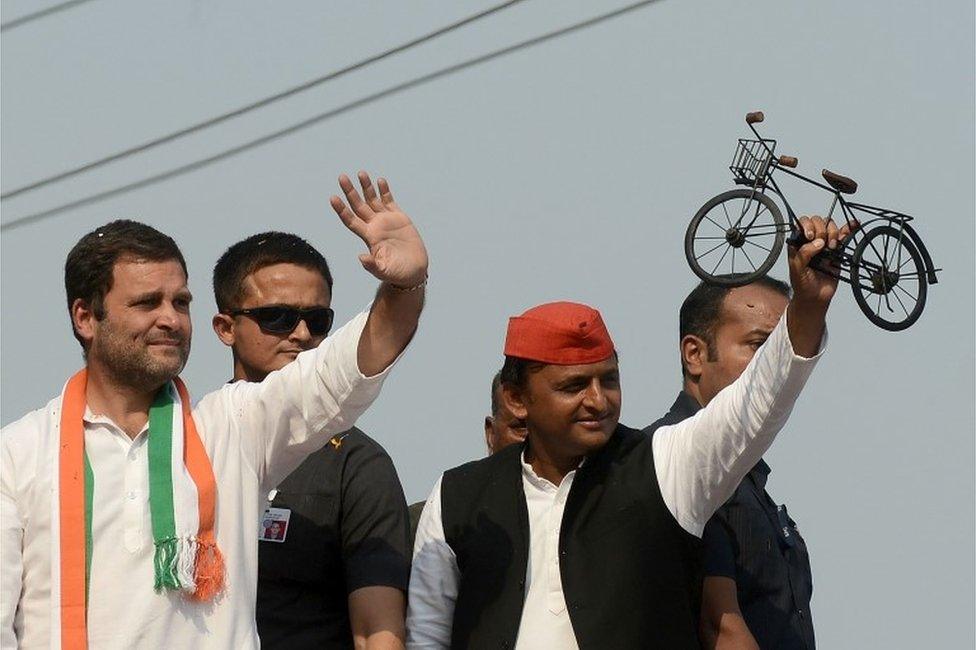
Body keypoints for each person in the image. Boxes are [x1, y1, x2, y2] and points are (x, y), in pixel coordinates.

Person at [0, 172, 428, 648]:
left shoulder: (231, 428)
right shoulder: (18, 453)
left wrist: (404, 290)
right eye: (147, 303)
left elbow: (341, 371)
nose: (170, 318)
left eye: (180, 302)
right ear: (86, 318)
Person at [407, 216, 847, 649]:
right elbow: (427, 636)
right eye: (574, 386)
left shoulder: (664, 466)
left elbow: (753, 406)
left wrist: (808, 306)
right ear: (517, 399)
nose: (598, 401)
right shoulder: (457, 497)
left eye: (609, 380)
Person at [211, 231, 412, 649]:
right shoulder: (190, 440)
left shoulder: (359, 464)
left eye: (318, 320)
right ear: (225, 327)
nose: (302, 333)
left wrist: (407, 285)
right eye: (278, 317)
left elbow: (378, 631)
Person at [651, 274, 816, 649]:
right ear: (695, 354)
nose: (774, 365)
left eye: (779, 349)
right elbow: (719, 625)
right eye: (759, 346)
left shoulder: (750, 482)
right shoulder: (669, 466)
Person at [407, 372, 527, 543]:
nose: (536, 441)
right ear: (491, 433)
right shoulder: (431, 526)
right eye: (521, 428)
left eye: (547, 430)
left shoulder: (577, 525)